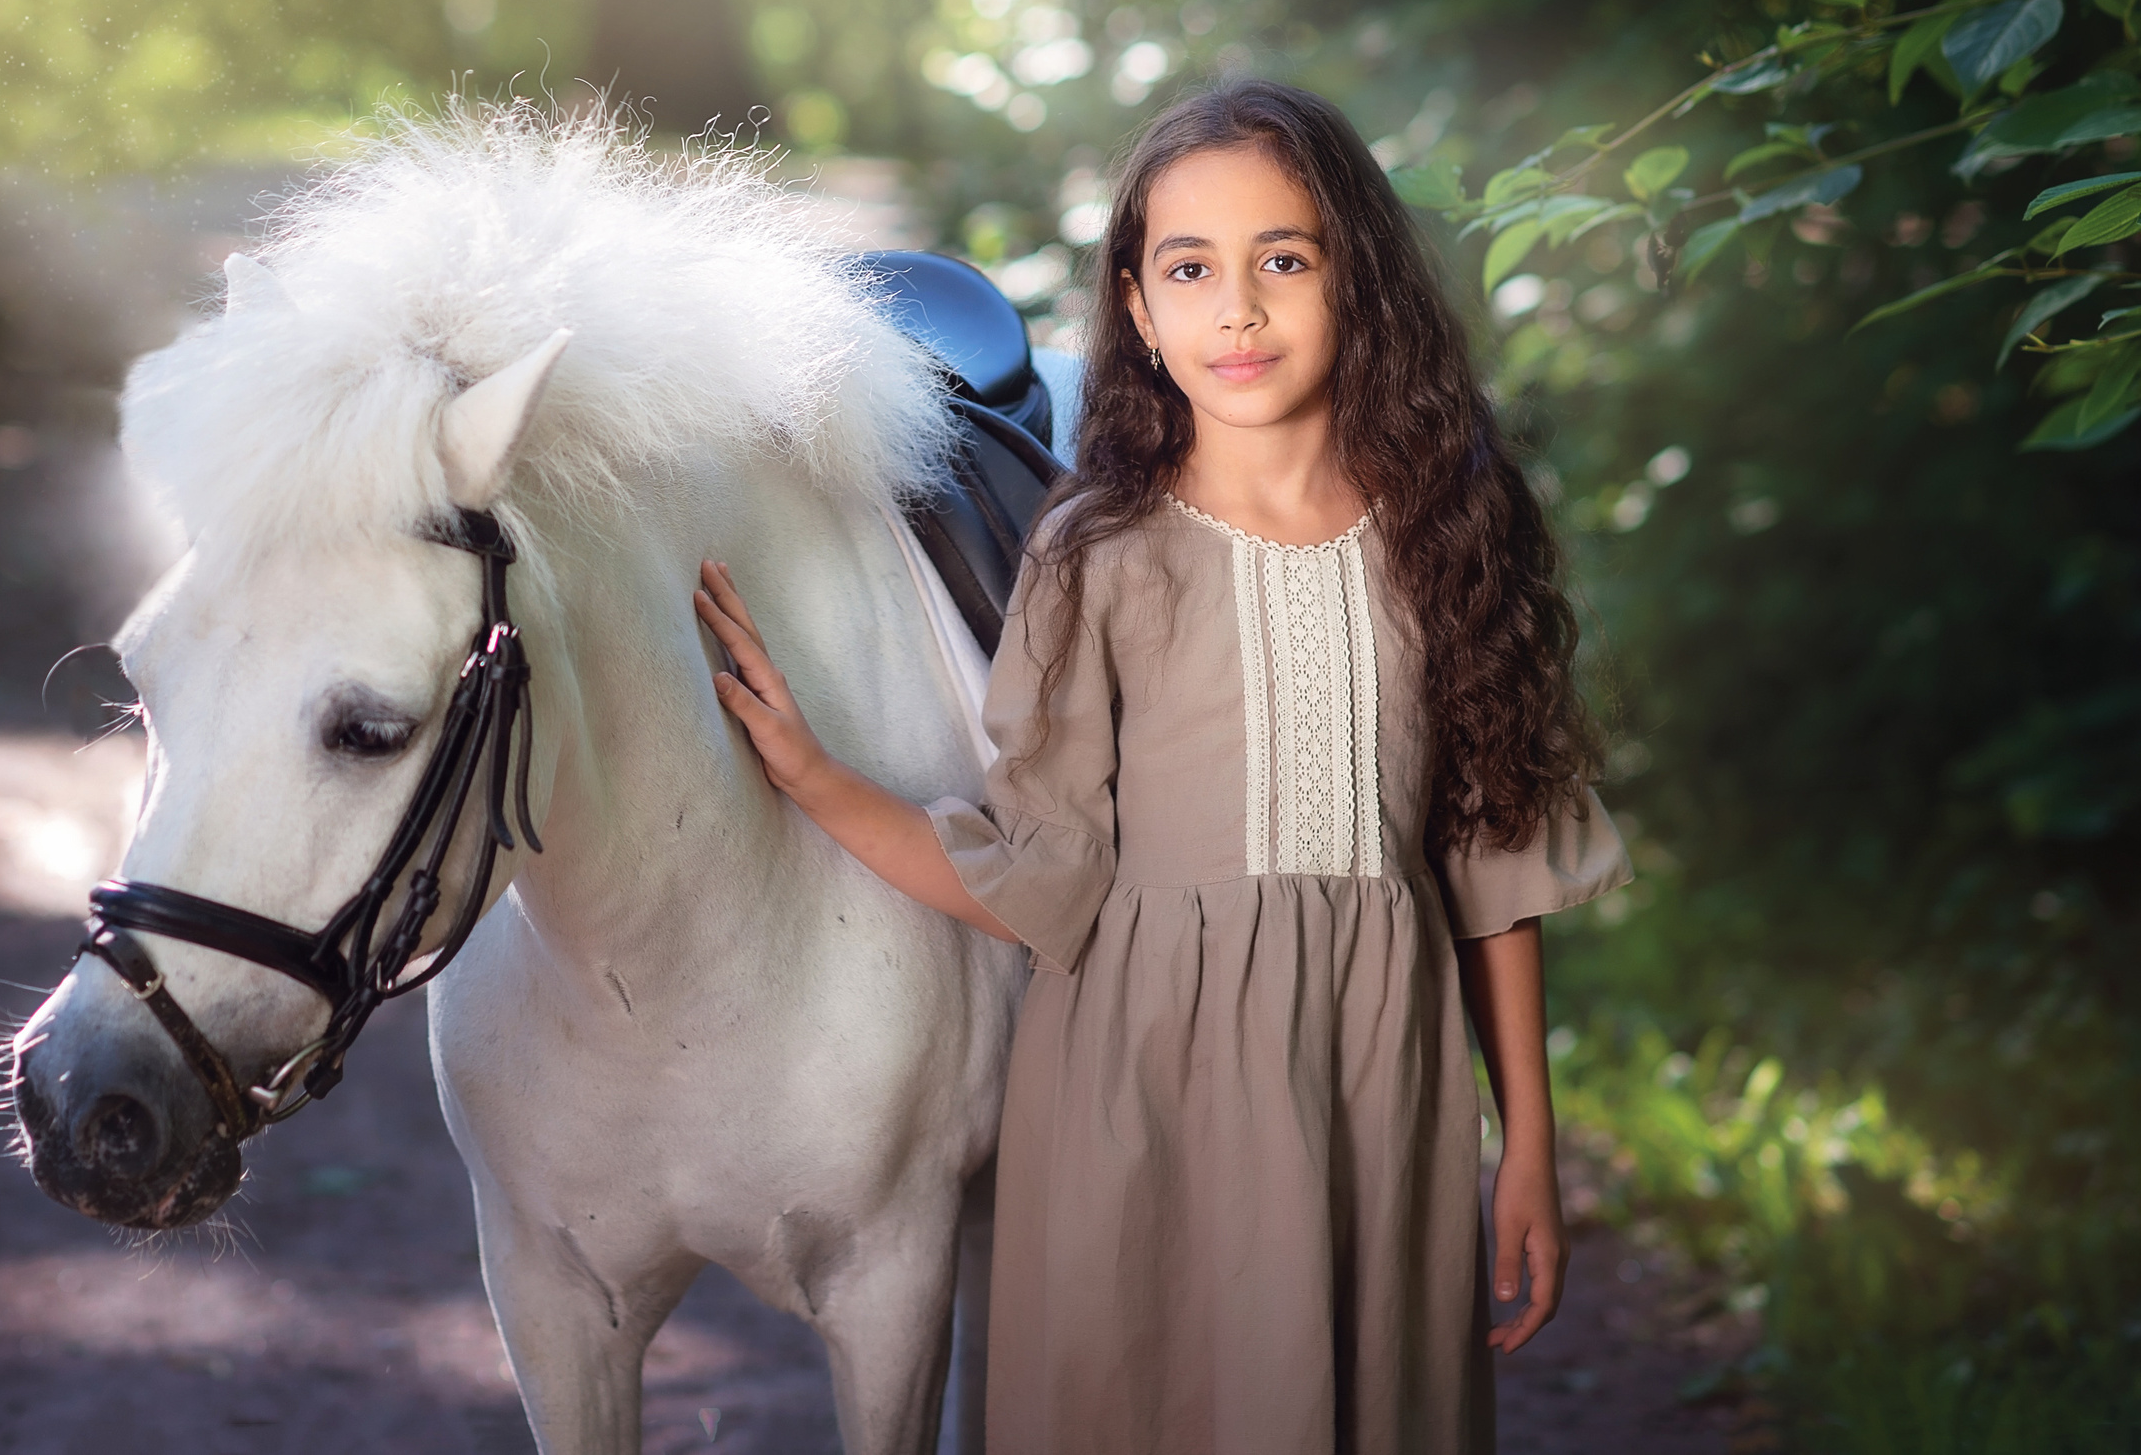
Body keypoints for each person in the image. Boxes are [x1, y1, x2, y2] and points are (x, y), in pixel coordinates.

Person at [692, 78, 1631, 1454]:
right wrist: (816, 775)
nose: (1236, 309)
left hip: (1379, 1081)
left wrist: (1528, 1140)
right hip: (1139, 1093)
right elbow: (1045, 877)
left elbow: (1493, 857)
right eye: (1190, 268)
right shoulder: (1098, 555)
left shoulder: (1446, 530)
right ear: (1138, 307)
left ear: (1356, 278)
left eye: (1284, 260)